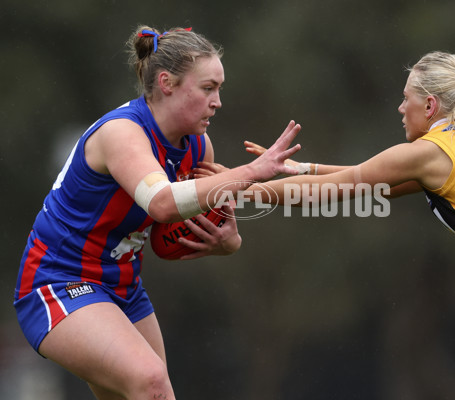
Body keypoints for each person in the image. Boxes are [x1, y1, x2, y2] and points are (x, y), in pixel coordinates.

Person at [227, 51, 455, 399]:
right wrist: (297, 169)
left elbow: (336, 190)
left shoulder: (428, 153)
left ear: (430, 105)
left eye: (406, 98)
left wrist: (234, 189)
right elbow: (375, 182)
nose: (401, 108)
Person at [14, 25, 302, 400]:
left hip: (124, 289)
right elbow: (163, 203)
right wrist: (249, 172)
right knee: (152, 383)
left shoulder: (198, 147)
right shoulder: (123, 133)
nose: (217, 102)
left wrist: (227, 242)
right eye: (207, 88)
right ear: (166, 82)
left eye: (219, 89)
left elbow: (169, 237)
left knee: (149, 390)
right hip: (58, 283)